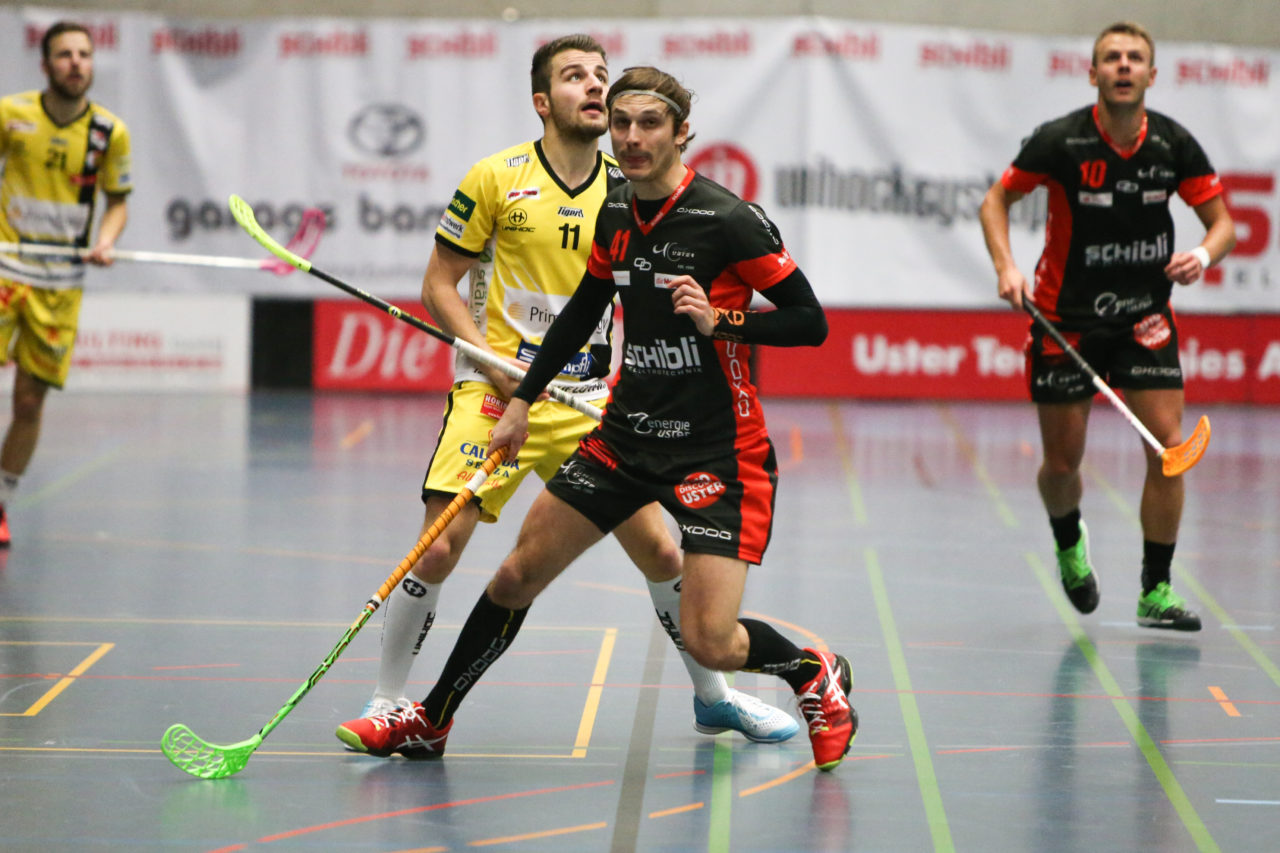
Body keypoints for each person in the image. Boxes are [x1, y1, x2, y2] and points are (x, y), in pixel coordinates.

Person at [339, 65, 859, 772]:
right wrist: (520, 401)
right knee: (517, 574)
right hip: (622, 437)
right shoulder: (615, 212)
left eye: (650, 124)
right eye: (622, 123)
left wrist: (724, 320)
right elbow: (585, 308)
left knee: (712, 638)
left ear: (683, 133)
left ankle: (808, 668)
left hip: (718, 451)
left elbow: (811, 321)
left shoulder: (728, 219)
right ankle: (430, 719)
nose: (633, 137)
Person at [979, 21, 1235, 631]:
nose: (1123, 66)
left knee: (1169, 449)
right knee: (1063, 466)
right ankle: (1069, 542)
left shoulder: (1174, 146)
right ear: (1093, 74)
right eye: (1111, 58)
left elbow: (1222, 224)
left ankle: (1156, 591)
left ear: (1152, 74)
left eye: (1135, 58)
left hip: (1144, 317)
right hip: (1063, 319)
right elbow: (996, 201)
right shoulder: (1061, 141)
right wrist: (1006, 267)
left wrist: (1201, 256)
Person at [0, 21, 131, 548]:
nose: (76, 62)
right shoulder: (12, 115)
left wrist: (106, 239)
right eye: (64, 55)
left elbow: (118, 200)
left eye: (84, 54)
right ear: (46, 65)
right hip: (6, 268)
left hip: (61, 285)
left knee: (30, 402)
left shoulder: (108, 133)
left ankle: (1, 501)